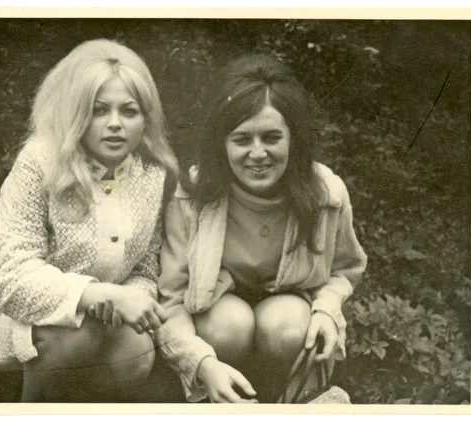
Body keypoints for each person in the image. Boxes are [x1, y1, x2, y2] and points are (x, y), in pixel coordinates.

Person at [0, 39, 179, 403]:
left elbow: (146, 265)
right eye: (98, 110)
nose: (115, 124)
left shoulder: (150, 173)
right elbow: (11, 276)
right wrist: (95, 294)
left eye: (129, 111)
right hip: (11, 313)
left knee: (136, 353)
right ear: (75, 114)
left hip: (105, 316)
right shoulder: (39, 162)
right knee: (75, 336)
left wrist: (130, 297)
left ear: (145, 118)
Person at [154, 54, 367, 403]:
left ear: (293, 139)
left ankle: (291, 401)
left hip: (289, 315)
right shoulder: (193, 194)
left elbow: (344, 271)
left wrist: (328, 310)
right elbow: (171, 299)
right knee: (228, 324)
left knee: (288, 325)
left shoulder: (326, 194)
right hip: (218, 320)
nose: (258, 154)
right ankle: (220, 400)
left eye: (272, 137)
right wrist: (201, 362)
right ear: (221, 143)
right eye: (242, 140)